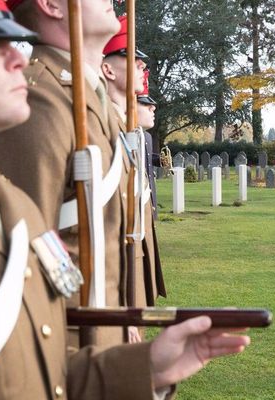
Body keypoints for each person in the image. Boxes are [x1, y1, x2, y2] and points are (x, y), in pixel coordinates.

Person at [0, 1, 250, 398]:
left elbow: (34, 372)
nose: (18, 56)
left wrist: (145, 368)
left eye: (12, 39)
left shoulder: (11, 204)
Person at [0, 0, 153, 347]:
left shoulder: (91, 97)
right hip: (67, 343)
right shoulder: (38, 98)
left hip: (105, 332)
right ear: (51, 5)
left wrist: (123, 315)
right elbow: (23, 253)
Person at [102, 16, 165, 310]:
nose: (144, 69)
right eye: (134, 63)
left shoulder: (125, 125)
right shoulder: (105, 122)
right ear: (107, 69)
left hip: (133, 251)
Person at [137, 70, 161, 219]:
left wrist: (159, 160)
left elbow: (145, 158)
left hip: (148, 200)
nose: (153, 108)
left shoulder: (147, 136)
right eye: (145, 104)